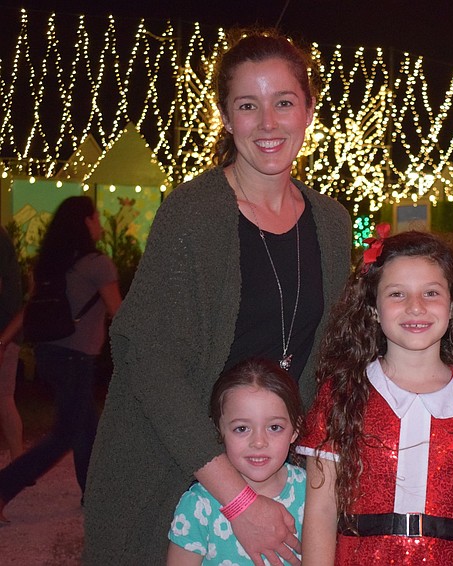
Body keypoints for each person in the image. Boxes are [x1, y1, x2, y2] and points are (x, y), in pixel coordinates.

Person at [83, 29, 351, 564]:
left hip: (275, 469)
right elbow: (148, 359)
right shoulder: (194, 214)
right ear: (227, 118)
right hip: (174, 469)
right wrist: (238, 499)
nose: (268, 123)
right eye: (248, 106)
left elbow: (331, 358)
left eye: (284, 103)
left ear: (309, 110)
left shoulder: (331, 222)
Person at [297, 228, 453, 565]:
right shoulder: (342, 393)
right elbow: (321, 512)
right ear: (373, 308)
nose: (415, 307)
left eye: (431, 293)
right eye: (397, 294)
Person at [0, 196, 121, 523]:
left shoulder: (52, 264)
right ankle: (4, 487)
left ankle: (94, 495)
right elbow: (119, 313)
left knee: (86, 425)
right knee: (65, 433)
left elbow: (28, 309)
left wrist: (3, 340)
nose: (99, 225)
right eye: (96, 218)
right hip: (75, 358)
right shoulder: (98, 264)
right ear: (85, 222)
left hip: (49, 354)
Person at [167, 358, 307, 566]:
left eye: (274, 427)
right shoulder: (199, 505)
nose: (259, 442)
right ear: (219, 430)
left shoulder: (311, 492)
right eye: (241, 429)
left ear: (295, 429)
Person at [0, 226, 23, 463]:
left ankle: (20, 463)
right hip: (8, 330)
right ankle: (20, 464)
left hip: (4, 331)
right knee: (4, 397)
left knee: (4, 398)